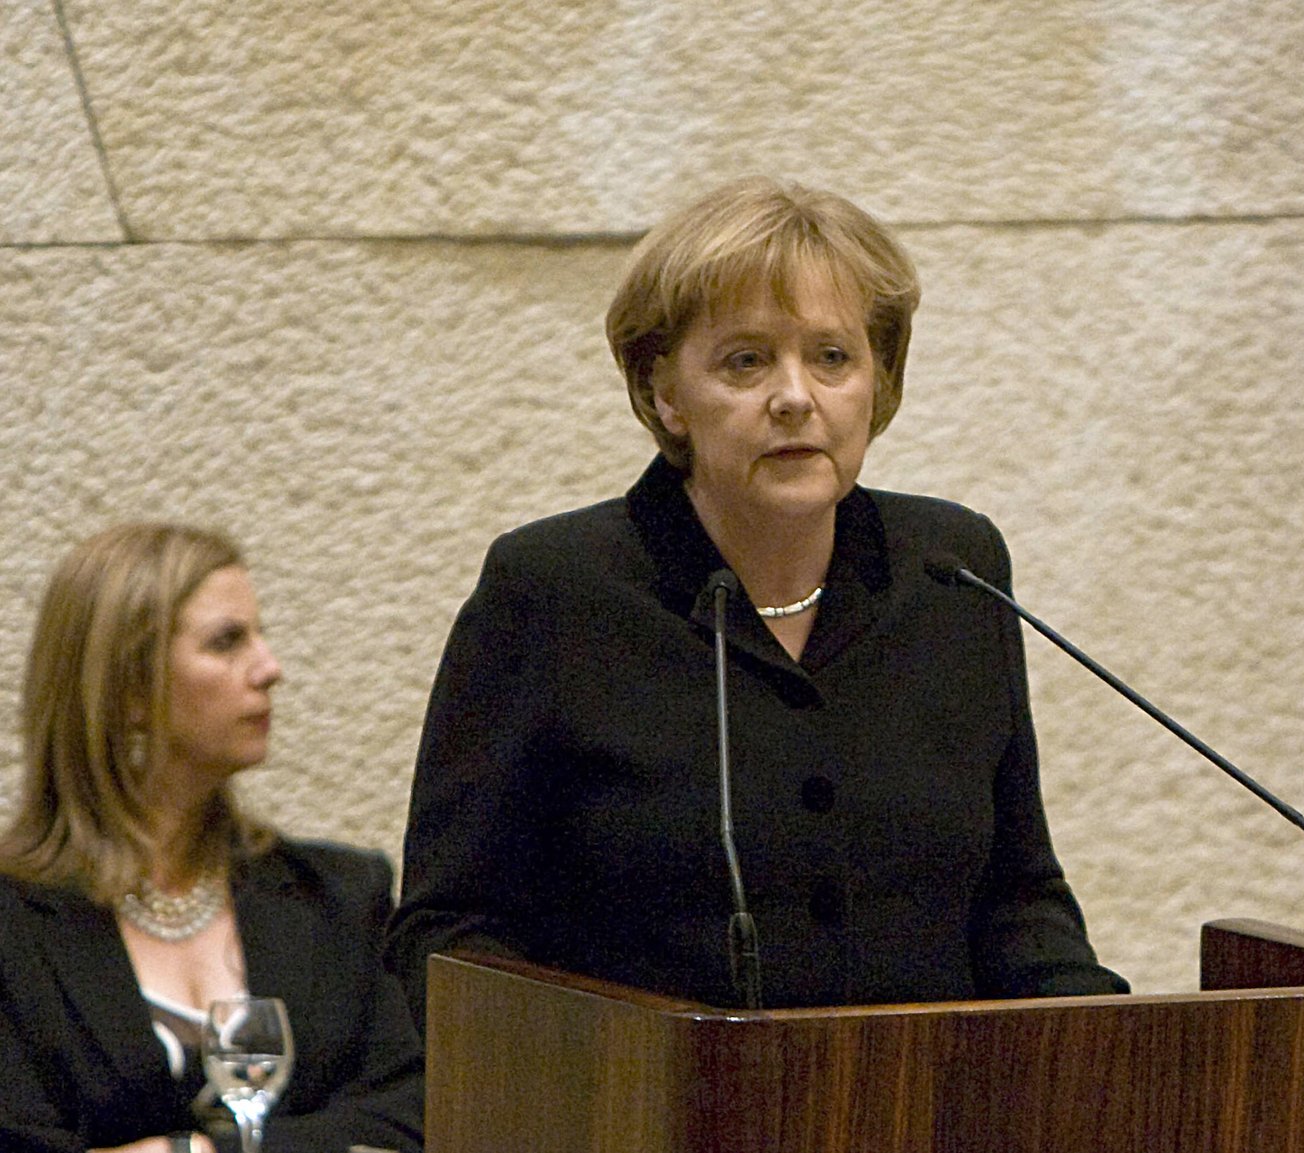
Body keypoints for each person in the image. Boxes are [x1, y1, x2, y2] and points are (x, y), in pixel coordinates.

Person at [389, 176, 1126, 1018]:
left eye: (832, 357)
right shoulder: (554, 593)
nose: (794, 396)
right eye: (746, 360)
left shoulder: (951, 572)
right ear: (667, 392)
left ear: (876, 382)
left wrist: (1111, 1046)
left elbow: (1017, 896)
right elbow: (447, 936)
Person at [0, 524, 424, 1153]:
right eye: (227, 642)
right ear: (128, 688)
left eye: (259, 634)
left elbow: (409, 1116)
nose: (270, 669)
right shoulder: (15, 924)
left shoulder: (336, 896)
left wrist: (192, 1152)